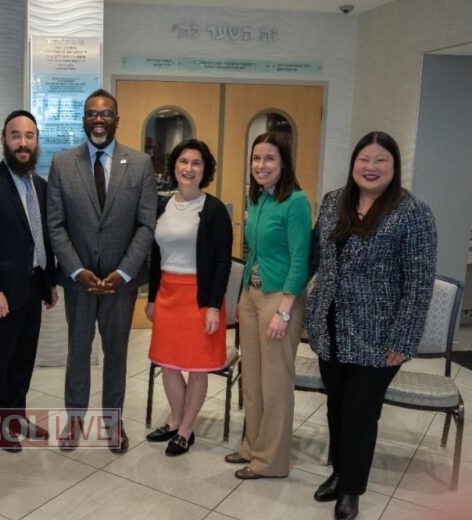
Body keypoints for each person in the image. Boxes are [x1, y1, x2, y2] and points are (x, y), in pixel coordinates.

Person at [306, 131, 436, 520]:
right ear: (353, 163)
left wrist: (404, 338)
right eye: (364, 158)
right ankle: (340, 470)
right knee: (336, 404)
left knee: (361, 412)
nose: (371, 167)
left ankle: (351, 489)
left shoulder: (412, 212)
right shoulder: (334, 201)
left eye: (381, 160)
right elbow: (316, 256)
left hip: (379, 336)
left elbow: (419, 283)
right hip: (330, 325)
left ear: (394, 166)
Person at [47, 88, 157, 453]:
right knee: (78, 352)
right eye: (92, 113)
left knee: (116, 353)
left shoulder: (140, 164)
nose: (98, 119)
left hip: (120, 284)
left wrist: (123, 272)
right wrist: (76, 269)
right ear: (83, 120)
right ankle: (75, 419)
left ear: (116, 120)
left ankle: (113, 421)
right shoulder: (62, 164)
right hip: (79, 283)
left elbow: (146, 225)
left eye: (106, 113)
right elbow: (55, 225)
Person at [0, 110, 58, 452]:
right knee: (0, 360)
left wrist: (49, 283)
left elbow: (42, 238)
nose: (23, 143)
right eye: (16, 135)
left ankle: (17, 416)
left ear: (37, 141)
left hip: (33, 287)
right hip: (2, 292)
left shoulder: (41, 186)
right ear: (4, 140)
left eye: (29, 136)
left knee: (24, 358)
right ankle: (1, 424)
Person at [225, 132, 311, 479]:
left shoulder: (296, 202)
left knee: (275, 383)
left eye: (269, 158)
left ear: (284, 162)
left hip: (280, 298)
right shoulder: (259, 198)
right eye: (256, 158)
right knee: (253, 380)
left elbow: (300, 260)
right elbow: (254, 253)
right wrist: (242, 297)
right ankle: (252, 446)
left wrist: (284, 311)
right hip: (252, 296)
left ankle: (271, 461)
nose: (261, 165)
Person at [144, 139, 233, 456]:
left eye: (197, 163)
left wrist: (213, 306)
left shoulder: (214, 210)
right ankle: (175, 420)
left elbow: (223, 262)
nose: (189, 168)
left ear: (205, 170)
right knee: (167, 364)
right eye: (184, 161)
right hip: (168, 294)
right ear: (174, 166)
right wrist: (151, 297)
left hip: (200, 298)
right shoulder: (162, 205)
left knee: (196, 368)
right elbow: (156, 257)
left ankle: (185, 430)